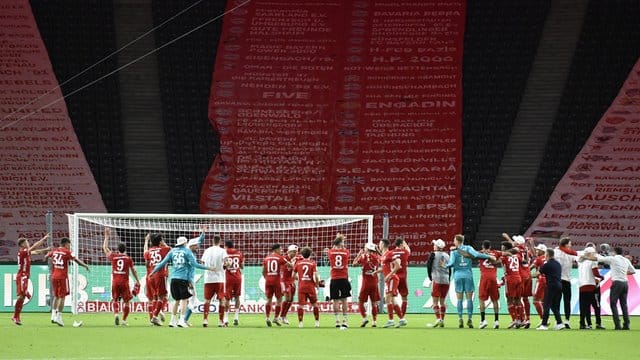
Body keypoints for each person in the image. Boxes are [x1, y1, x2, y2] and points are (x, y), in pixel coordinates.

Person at [150, 236, 214, 328]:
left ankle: (172, 321)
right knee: (184, 300)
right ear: (185, 243)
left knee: (176, 300)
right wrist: (209, 268)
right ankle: (181, 320)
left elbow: (162, 263)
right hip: (183, 279)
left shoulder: (172, 251)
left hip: (173, 279)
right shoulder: (187, 251)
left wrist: (153, 272)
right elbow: (195, 264)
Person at [446, 234, 495, 328]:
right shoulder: (468, 248)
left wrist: (445, 265)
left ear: (457, 241)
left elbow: (451, 263)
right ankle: (469, 319)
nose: (454, 242)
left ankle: (460, 318)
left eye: (454, 240)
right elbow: (476, 255)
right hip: (468, 274)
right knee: (469, 299)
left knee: (459, 299)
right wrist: (488, 257)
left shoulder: (454, 251)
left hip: (458, 275)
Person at [586, 247, 636, 330]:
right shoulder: (626, 260)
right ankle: (626, 324)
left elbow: (597, 258)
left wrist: (586, 256)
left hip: (616, 283)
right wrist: (623, 273)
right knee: (624, 304)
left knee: (613, 303)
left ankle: (617, 325)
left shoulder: (613, 259)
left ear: (614, 252)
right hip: (625, 283)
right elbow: (633, 271)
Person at [45, 237, 90, 327]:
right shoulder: (67, 252)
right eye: (69, 245)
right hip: (62, 277)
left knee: (56, 296)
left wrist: (52, 265)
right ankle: (59, 317)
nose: (69, 246)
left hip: (54, 276)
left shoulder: (54, 251)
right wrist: (85, 265)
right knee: (62, 297)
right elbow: (76, 260)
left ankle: (53, 315)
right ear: (65, 244)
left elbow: (46, 256)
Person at [103, 228, 140, 326]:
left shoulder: (114, 256)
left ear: (118, 249)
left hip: (115, 282)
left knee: (115, 300)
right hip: (124, 283)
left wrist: (107, 237)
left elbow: (105, 249)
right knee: (127, 302)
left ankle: (116, 314)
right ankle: (124, 320)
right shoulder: (128, 259)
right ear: (125, 249)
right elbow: (134, 271)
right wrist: (137, 280)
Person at [13, 234, 50, 325]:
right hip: (22, 276)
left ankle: (17, 316)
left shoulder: (26, 252)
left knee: (23, 296)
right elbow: (34, 247)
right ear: (22, 244)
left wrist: (45, 250)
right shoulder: (23, 252)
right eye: (26, 242)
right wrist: (44, 239)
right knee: (21, 296)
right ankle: (15, 316)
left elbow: (36, 252)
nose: (28, 243)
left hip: (25, 276)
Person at [201, 235, 229, 327]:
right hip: (219, 278)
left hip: (208, 279)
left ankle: (205, 320)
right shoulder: (222, 251)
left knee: (207, 300)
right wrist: (227, 264)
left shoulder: (207, 250)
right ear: (220, 242)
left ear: (212, 241)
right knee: (222, 300)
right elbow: (226, 262)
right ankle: (221, 322)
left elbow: (202, 262)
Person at [378, 238, 406, 328]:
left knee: (387, 299)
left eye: (380, 243)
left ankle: (391, 320)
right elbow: (385, 268)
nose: (379, 245)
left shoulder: (389, 254)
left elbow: (398, 266)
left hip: (392, 279)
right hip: (390, 279)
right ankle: (402, 319)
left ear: (383, 245)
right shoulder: (383, 255)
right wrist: (376, 272)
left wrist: (389, 275)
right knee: (393, 300)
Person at [144, 233, 171, 326]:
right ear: (160, 241)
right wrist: (163, 242)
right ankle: (155, 316)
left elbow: (147, 264)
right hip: (160, 275)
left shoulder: (148, 252)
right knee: (162, 296)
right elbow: (170, 250)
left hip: (151, 275)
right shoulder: (163, 250)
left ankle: (155, 314)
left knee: (155, 297)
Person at [352, 242, 380, 327]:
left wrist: (358, 255)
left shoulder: (363, 256)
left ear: (367, 249)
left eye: (365, 248)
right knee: (374, 303)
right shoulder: (377, 257)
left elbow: (353, 264)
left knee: (360, 302)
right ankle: (374, 322)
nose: (364, 249)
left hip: (366, 283)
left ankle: (364, 318)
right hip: (374, 283)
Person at [535, 249, 564, 330]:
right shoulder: (558, 264)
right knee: (554, 306)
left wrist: (528, 275)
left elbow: (537, 274)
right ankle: (559, 323)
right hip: (559, 286)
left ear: (547, 255)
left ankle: (544, 324)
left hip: (551, 286)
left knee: (546, 305)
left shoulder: (547, 264)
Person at [328, 233, 351, 328]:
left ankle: (337, 321)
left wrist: (337, 239)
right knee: (344, 300)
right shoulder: (346, 252)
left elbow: (333, 247)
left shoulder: (330, 252)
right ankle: (345, 321)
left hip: (334, 278)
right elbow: (342, 248)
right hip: (344, 278)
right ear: (341, 243)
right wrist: (340, 240)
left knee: (335, 300)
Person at [293, 246, 321, 328]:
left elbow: (293, 276)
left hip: (301, 286)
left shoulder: (298, 263)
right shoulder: (312, 263)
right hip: (310, 286)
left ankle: (300, 323)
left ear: (302, 254)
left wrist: (301, 278)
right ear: (310, 254)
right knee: (315, 304)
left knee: (301, 305)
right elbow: (315, 275)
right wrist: (317, 283)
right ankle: (316, 322)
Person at [499, 241, 524, 329]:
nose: (501, 248)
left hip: (510, 279)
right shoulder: (518, 256)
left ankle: (514, 320)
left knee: (509, 300)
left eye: (502, 246)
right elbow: (522, 261)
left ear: (505, 248)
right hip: (518, 278)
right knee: (517, 300)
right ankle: (519, 320)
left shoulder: (503, 256)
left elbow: (496, 262)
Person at [554, 237, 578, 328]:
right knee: (567, 301)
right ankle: (567, 320)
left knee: (557, 300)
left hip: (558, 279)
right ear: (566, 244)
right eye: (570, 243)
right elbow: (577, 261)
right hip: (566, 279)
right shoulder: (571, 254)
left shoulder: (556, 251)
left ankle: (558, 321)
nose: (571, 245)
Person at [426, 239, 450, 328]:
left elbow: (429, 266)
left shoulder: (433, 254)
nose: (433, 246)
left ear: (437, 247)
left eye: (435, 245)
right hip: (446, 280)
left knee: (435, 302)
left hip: (436, 279)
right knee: (443, 302)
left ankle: (438, 319)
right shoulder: (447, 255)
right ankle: (442, 320)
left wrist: (430, 277)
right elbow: (449, 268)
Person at [263, 244, 288, 327]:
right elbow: (289, 264)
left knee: (268, 300)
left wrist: (267, 278)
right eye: (280, 249)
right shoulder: (280, 258)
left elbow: (263, 271)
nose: (281, 251)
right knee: (279, 299)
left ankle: (267, 317)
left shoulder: (266, 258)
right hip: (277, 281)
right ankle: (276, 318)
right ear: (276, 250)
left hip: (268, 281)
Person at [577, 246, 601, 329]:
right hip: (591, 286)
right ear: (590, 254)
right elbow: (596, 273)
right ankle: (598, 323)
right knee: (596, 305)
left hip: (581, 286)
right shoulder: (592, 262)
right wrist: (601, 277)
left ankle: (582, 324)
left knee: (584, 306)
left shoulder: (580, 263)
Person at [478, 240, 501, 329]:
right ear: (490, 246)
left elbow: (470, 253)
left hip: (484, 277)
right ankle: (496, 321)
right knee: (495, 299)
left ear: (483, 246)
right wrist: (496, 262)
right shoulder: (495, 253)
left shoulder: (480, 253)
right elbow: (505, 254)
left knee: (481, 299)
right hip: (493, 278)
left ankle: (483, 320)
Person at [280, 244, 302, 325]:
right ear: (289, 251)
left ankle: (284, 316)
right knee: (287, 298)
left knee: (291, 299)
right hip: (284, 281)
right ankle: (281, 315)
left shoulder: (297, 259)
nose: (295, 253)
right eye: (294, 252)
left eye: (296, 252)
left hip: (291, 281)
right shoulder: (284, 259)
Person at [224, 240, 244, 326]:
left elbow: (224, 266)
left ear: (226, 246)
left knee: (227, 298)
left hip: (228, 278)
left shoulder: (224, 253)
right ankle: (236, 317)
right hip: (238, 277)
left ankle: (226, 318)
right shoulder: (239, 253)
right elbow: (242, 266)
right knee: (237, 297)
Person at [392, 237, 411, 318]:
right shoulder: (405, 252)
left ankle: (395, 317)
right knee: (404, 298)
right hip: (403, 277)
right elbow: (409, 250)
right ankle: (402, 316)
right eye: (403, 244)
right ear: (401, 244)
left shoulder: (391, 252)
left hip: (394, 276)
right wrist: (405, 243)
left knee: (391, 298)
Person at [529, 243, 548, 323]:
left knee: (535, 300)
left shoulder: (539, 259)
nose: (536, 251)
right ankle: (546, 319)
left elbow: (530, 267)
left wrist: (526, 275)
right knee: (544, 301)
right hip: (548, 281)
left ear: (542, 251)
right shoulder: (548, 259)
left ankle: (543, 319)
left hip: (540, 280)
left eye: (538, 250)